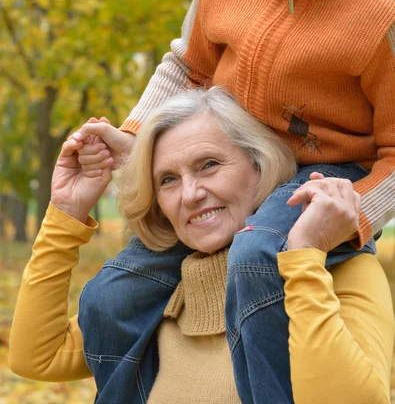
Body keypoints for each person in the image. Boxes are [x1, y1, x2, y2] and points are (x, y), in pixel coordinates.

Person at [71, 0, 395, 403]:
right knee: (106, 299)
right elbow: (185, 69)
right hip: (233, 160)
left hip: (322, 179)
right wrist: (138, 133)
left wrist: (353, 215)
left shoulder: (379, 15)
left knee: (253, 257)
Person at [9, 88, 394, 404]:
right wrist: (67, 212)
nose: (190, 194)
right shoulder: (155, 290)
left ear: (259, 164)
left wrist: (305, 258)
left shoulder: (338, 271)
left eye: (209, 164)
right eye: (168, 180)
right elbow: (37, 357)